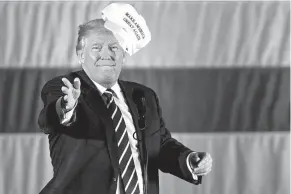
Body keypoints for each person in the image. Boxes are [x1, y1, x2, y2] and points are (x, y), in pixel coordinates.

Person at [38, 3, 212, 194]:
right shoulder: (62, 87)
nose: (106, 53)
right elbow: (51, 119)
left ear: (124, 55)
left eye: (114, 47)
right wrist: (66, 107)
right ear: (81, 54)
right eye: (96, 47)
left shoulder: (144, 96)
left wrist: (189, 160)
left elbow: (159, 146)